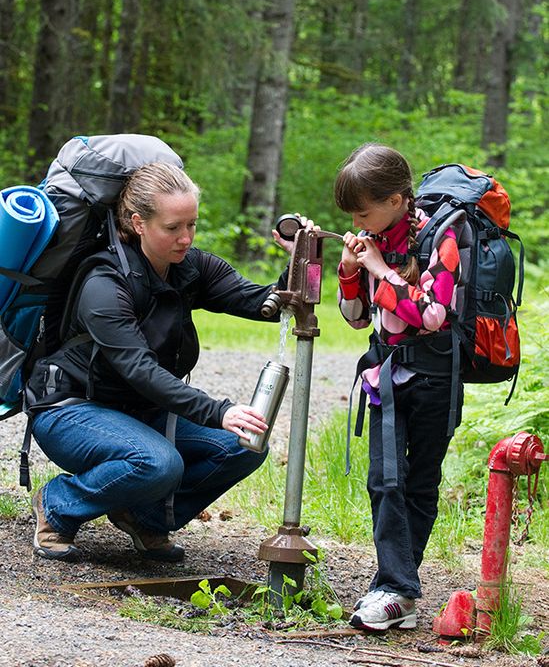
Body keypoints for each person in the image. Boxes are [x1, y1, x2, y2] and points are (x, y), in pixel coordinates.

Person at [27, 162, 303, 563]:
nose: (186, 238)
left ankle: (144, 517)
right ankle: (58, 504)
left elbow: (260, 301)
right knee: (158, 463)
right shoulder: (103, 284)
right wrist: (219, 411)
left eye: (191, 224)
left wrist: (299, 261)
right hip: (72, 410)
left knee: (245, 446)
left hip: (139, 411)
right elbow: (139, 369)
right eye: (173, 228)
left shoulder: (191, 267)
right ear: (138, 223)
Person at [334, 143, 463, 632]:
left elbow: (432, 314)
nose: (360, 222)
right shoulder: (374, 240)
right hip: (386, 374)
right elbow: (356, 318)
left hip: (434, 377)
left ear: (396, 199)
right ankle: (396, 589)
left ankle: (394, 590)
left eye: (365, 211)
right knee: (384, 478)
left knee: (420, 484)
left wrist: (380, 271)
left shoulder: (442, 236)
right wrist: (350, 271)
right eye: (353, 215)